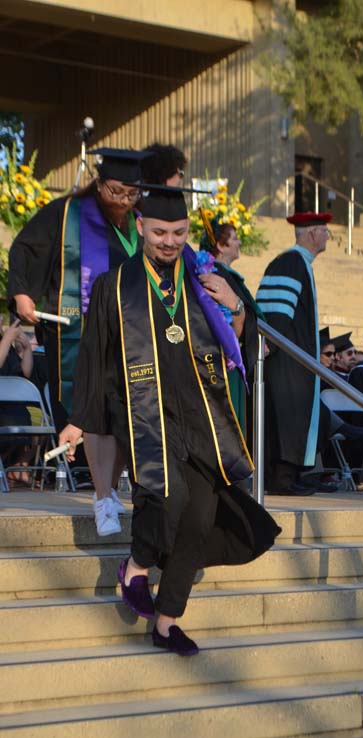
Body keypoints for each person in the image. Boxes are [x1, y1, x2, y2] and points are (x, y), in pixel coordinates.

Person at [59, 183, 280, 656]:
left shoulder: (205, 278)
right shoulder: (114, 288)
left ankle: (165, 622)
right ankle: (137, 567)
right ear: (139, 227)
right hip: (146, 419)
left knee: (200, 518)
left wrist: (236, 306)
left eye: (179, 232)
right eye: (159, 231)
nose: (169, 241)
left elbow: (248, 341)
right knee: (170, 495)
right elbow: (95, 360)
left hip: (203, 416)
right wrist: (80, 419)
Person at [8, 147, 152, 534]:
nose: (125, 201)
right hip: (78, 335)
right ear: (99, 183)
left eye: (133, 194)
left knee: (121, 415)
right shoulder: (66, 213)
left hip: (129, 336)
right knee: (94, 413)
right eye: (117, 191)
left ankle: (107, 489)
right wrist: (22, 292)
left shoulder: (141, 222)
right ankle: (103, 494)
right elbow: (25, 248)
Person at [256, 211, 333, 495]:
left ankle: (291, 475)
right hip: (286, 359)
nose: (327, 237)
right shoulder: (290, 261)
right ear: (313, 233)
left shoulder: (300, 263)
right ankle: (281, 479)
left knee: (296, 416)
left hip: (296, 358)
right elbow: (275, 314)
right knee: (288, 416)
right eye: (325, 232)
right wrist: (269, 347)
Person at [199, 211, 264, 437]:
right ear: (221, 245)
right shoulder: (215, 276)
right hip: (224, 364)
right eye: (234, 238)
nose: (239, 243)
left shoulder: (226, 276)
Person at [0, 317, 35, 485]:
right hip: (2, 407)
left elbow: (25, 373)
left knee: (38, 430)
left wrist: (27, 347)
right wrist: (7, 339)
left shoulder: (6, 345)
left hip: (16, 405)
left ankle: (19, 467)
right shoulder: (4, 343)